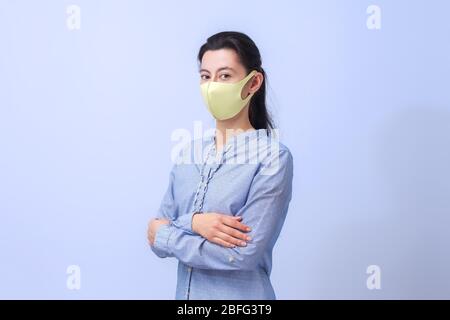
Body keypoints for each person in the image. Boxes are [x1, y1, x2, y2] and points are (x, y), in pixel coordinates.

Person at [147, 31, 294, 300]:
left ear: (253, 83)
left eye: (225, 76)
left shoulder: (273, 158)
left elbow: (240, 254)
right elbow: (154, 237)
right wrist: (195, 222)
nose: (213, 86)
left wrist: (171, 233)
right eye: (206, 76)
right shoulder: (188, 154)